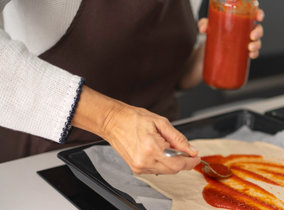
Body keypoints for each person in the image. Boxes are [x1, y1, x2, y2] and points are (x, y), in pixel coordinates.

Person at [0, 0, 263, 175]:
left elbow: (173, 76)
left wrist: (212, 54)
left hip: (162, 163)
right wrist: (110, 119)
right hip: (46, 165)